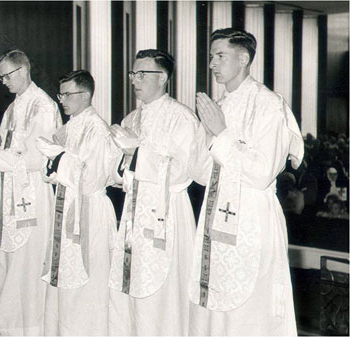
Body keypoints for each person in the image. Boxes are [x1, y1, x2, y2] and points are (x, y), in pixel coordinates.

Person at [187, 28, 304, 336]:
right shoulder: (219, 104)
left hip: (252, 217)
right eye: (211, 56)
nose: (212, 63)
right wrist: (203, 136)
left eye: (220, 55)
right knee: (213, 309)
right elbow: (201, 174)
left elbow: (262, 171)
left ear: (243, 58)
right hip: (215, 216)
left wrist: (221, 134)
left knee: (249, 310)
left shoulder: (268, 104)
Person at [108, 49, 199, 335]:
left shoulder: (181, 117)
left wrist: (136, 155)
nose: (135, 80)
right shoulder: (132, 118)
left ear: (164, 78)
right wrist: (119, 161)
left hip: (167, 212)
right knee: (131, 284)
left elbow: (184, 171)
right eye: (134, 73)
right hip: (135, 210)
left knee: (165, 291)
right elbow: (120, 173)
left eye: (142, 74)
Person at [0, 49, 62, 335]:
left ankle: (28, 327)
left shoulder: (43, 105)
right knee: (4, 258)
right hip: (7, 192)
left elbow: (39, 157)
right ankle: (3, 323)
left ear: (23, 69)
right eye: (1, 76)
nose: (3, 81)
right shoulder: (13, 107)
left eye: (7, 75)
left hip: (31, 194)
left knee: (26, 261)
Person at [36, 70, 120, 335]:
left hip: (89, 211)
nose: (62, 100)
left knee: (88, 281)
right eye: (60, 94)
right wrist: (52, 162)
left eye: (67, 94)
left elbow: (92, 178)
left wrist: (59, 159)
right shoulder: (70, 125)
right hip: (67, 206)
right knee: (65, 281)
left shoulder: (96, 128)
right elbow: (54, 169)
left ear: (85, 95)